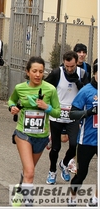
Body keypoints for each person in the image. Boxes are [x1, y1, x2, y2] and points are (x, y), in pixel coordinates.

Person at [8, 56, 60, 207]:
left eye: (41, 72)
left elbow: (57, 112)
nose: (38, 75)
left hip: (42, 137)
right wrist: (12, 108)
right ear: (28, 72)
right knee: (30, 172)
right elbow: (12, 101)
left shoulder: (50, 89)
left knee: (28, 171)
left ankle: (20, 188)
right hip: (23, 134)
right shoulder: (20, 88)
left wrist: (47, 107)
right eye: (35, 71)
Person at [44, 50, 89, 185]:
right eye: (67, 66)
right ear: (64, 63)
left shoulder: (82, 74)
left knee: (75, 144)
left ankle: (64, 164)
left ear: (77, 63)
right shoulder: (57, 72)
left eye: (72, 66)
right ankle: (52, 171)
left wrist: (78, 83)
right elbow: (46, 87)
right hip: (58, 114)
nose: (69, 69)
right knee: (56, 147)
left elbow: (88, 93)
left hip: (73, 115)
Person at [68, 59, 98, 207]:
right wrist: (88, 112)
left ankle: (95, 199)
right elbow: (72, 114)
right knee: (81, 174)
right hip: (87, 140)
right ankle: (72, 197)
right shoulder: (86, 91)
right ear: (96, 73)